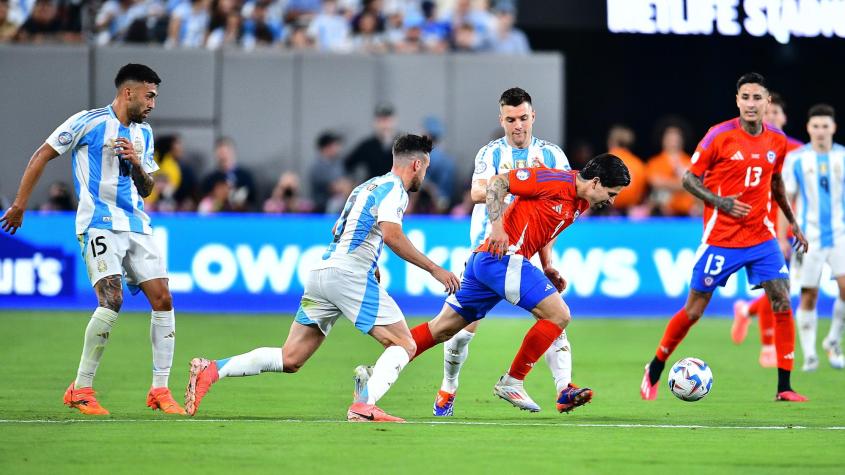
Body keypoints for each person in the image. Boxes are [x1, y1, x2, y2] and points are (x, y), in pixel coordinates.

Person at [183, 134, 461, 422]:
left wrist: (372, 264)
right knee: (404, 344)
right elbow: (392, 235)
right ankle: (363, 404)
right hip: (348, 275)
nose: (424, 175)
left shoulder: (366, 187)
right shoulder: (396, 191)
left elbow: (338, 231)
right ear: (416, 164)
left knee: (290, 358)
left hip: (322, 272)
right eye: (425, 169)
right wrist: (434, 269)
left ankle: (212, 369)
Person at [0, 63, 185, 415]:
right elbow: (43, 154)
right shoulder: (87, 121)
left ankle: (159, 390)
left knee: (163, 299)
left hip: (136, 225)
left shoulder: (143, 134)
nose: (153, 104)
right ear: (128, 92)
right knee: (111, 299)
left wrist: (135, 164)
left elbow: (147, 191)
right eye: (149, 96)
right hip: (98, 223)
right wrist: (20, 204)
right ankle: (81, 388)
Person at [390, 154, 629, 413]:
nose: (612, 200)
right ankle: (512, 381)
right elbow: (496, 184)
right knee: (559, 315)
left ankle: (376, 371)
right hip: (501, 258)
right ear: (595, 182)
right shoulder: (552, 179)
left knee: (442, 329)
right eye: (611, 192)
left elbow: (546, 230)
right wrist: (497, 228)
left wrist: (547, 265)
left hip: (487, 263)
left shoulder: (581, 202)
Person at [639, 72, 810, 403]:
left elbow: (776, 185)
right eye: (745, 97)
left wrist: (793, 223)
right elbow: (689, 179)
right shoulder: (719, 136)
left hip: (761, 235)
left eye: (757, 97)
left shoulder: (776, 140)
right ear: (737, 101)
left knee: (781, 299)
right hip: (721, 237)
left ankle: (784, 386)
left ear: (766, 102)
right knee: (694, 310)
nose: (750, 103)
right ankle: (656, 367)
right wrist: (720, 202)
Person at [430, 87, 588, 417]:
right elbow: (476, 190)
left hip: (525, 252)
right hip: (489, 250)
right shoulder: (490, 153)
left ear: (534, 117)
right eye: (511, 119)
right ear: (501, 120)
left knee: (554, 316)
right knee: (460, 332)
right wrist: (517, 185)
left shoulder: (552, 156)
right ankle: (449, 385)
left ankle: (564, 388)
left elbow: (555, 213)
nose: (519, 126)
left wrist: (548, 262)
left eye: (524, 118)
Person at [731, 92, 804, 368]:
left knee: (781, 289)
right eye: (768, 114)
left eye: (777, 113)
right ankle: (767, 346)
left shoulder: (798, 151)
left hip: (789, 223)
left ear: (784, 117)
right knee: (775, 287)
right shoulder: (751, 146)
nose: (772, 117)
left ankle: (746, 310)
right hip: (762, 225)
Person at [780, 104, 845, 371]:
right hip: (809, 237)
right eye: (815, 126)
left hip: (840, 233)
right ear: (808, 128)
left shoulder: (843, 156)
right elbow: (785, 199)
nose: (820, 131)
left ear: (833, 128)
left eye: (825, 126)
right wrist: (781, 236)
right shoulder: (796, 159)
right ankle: (809, 353)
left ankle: (832, 340)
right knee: (809, 294)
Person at [344, 103, 398, 180]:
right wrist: (351, 182)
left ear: (394, 121)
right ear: (375, 122)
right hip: (374, 189)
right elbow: (348, 164)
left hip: (399, 189)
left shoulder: (406, 144)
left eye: (387, 120)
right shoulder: (367, 145)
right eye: (380, 121)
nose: (385, 125)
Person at [202, 137, 257, 211]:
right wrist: (217, 195)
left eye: (226, 152)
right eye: (220, 153)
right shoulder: (210, 179)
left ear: (233, 152)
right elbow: (203, 203)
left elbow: (253, 199)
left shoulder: (245, 176)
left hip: (241, 217)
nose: (223, 156)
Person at [606, 125, 647, 215]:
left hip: (609, 213)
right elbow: (641, 193)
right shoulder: (638, 163)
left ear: (612, 142)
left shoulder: (605, 160)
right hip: (632, 213)